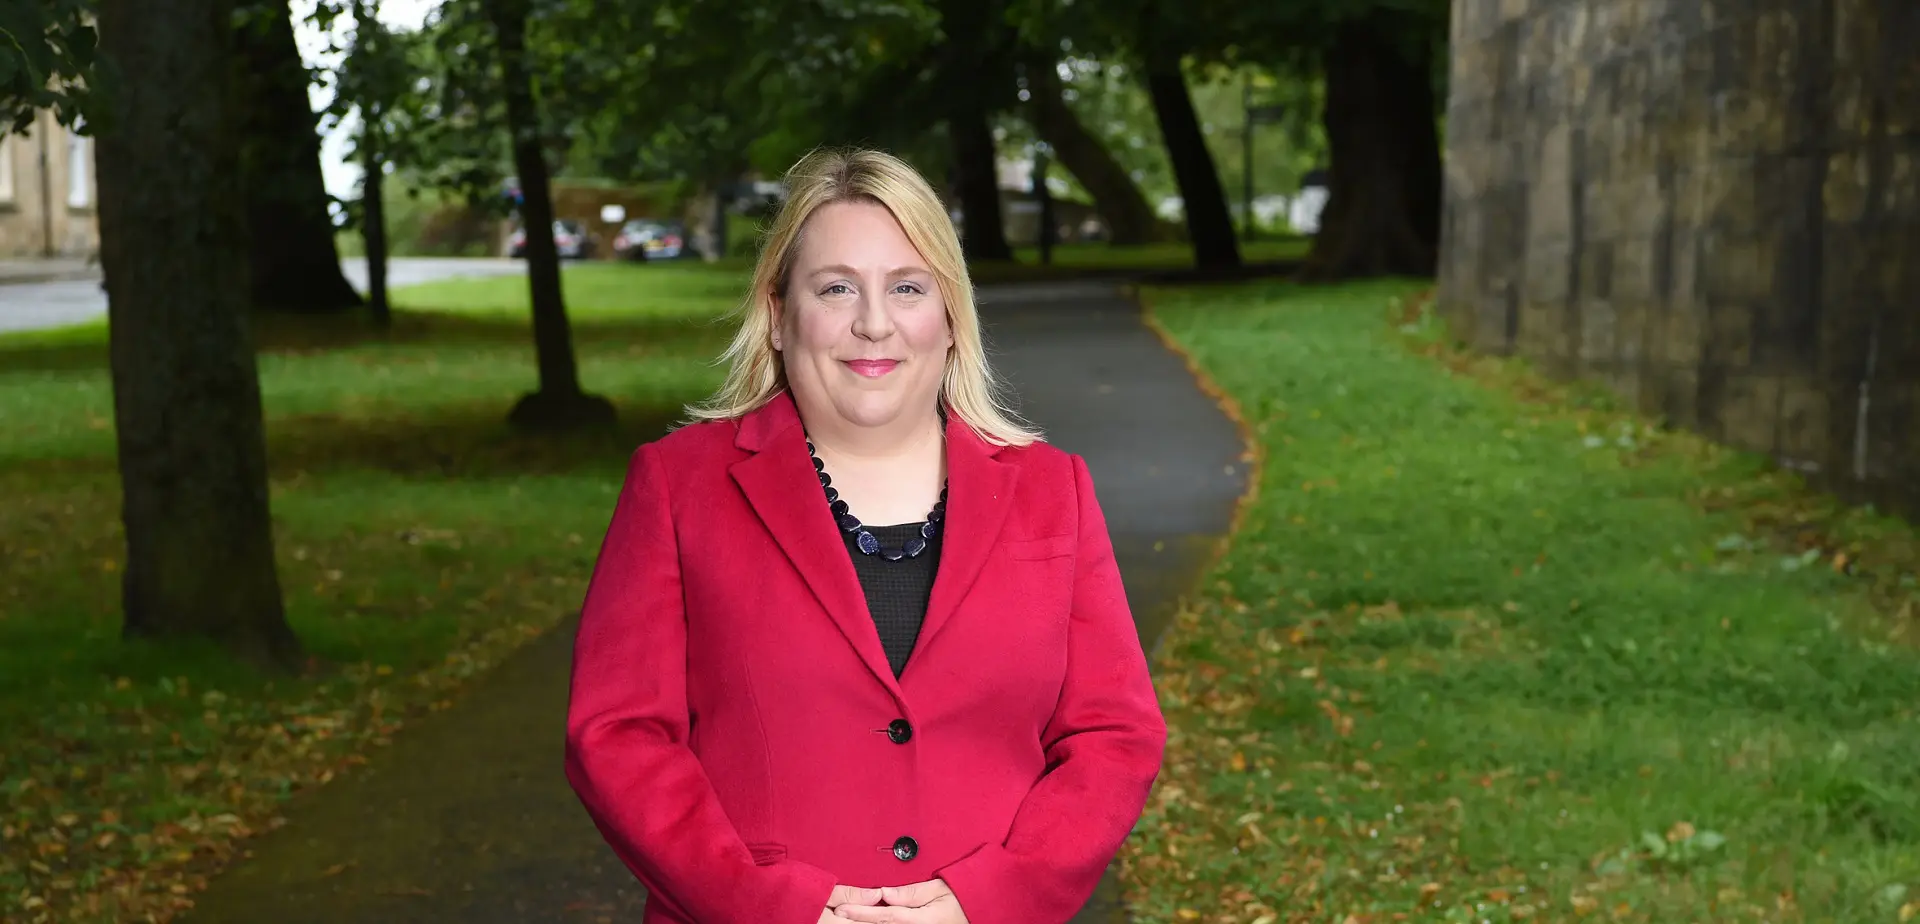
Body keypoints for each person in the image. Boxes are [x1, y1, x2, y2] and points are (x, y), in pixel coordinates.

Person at [564, 147, 1167, 924]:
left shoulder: (1053, 491)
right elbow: (617, 737)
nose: (874, 323)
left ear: (950, 319)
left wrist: (987, 899)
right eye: (836, 287)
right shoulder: (678, 486)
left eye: (907, 287)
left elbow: (1113, 734)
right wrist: (771, 905)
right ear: (778, 316)